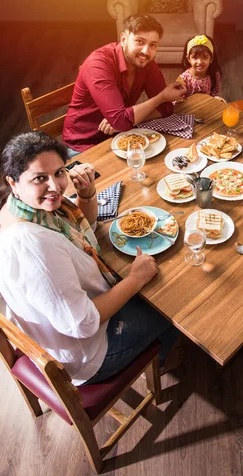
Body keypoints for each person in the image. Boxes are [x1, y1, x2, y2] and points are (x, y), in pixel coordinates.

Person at [0, 131, 179, 385]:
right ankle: (161, 360)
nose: (54, 187)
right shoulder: (32, 244)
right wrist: (136, 279)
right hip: (90, 354)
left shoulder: (22, 207)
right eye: (40, 178)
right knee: (173, 302)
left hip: (70, 323)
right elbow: (83, 324)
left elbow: (83, 232)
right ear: (14, 182)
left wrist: (86, 195)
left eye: (59, 173)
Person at [63, 14, 187, 152]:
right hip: (83, 145)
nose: (146, 51)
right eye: (140, 41)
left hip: (122, 138)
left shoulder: (145, 62)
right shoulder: (98, 64)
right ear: (123, 39)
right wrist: (161, 97)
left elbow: (166, 108)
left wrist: (128, 120)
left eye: (153, 45)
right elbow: (122, 120)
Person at [176, 34, 223, 100]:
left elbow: (214, 93)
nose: (200, 62)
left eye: (205, 57)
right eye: (195, 58)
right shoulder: (183, 79)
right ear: (188, 59)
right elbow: (177, 99)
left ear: (211, 59)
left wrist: (216, 98)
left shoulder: (214, 75)